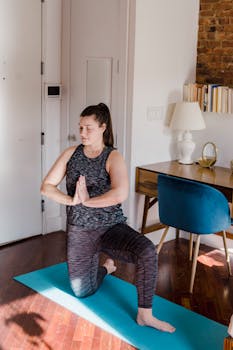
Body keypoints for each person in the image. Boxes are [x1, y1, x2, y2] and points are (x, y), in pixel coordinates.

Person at [40, 102, 175, 333]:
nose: (82, 133)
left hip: (111, 227)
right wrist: (71, 200)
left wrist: (87, 201)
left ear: (103, 127)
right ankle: (107, 269)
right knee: (83, 291)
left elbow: (120, 193)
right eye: (80, 127)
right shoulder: (71, 154)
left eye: (88, 128)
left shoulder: (112, 156)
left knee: (147, 251)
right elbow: (47, 187)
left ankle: (145, 315)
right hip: (80, 230)